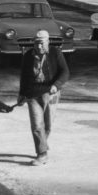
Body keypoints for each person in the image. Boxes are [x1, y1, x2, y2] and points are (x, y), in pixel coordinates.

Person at [16, 29, 69, 166]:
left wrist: (56, 85)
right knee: (36, 125)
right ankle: (42, 154)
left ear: (47, 42)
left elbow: (65, 72)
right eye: (36, 43)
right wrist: (21, 94)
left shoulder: (55, 53)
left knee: (48, 125)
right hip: (32, 93)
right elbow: (24, 77)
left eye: (41, 43)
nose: (39, 46)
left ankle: (42, 146)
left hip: (50, 94)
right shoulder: (28, 55)